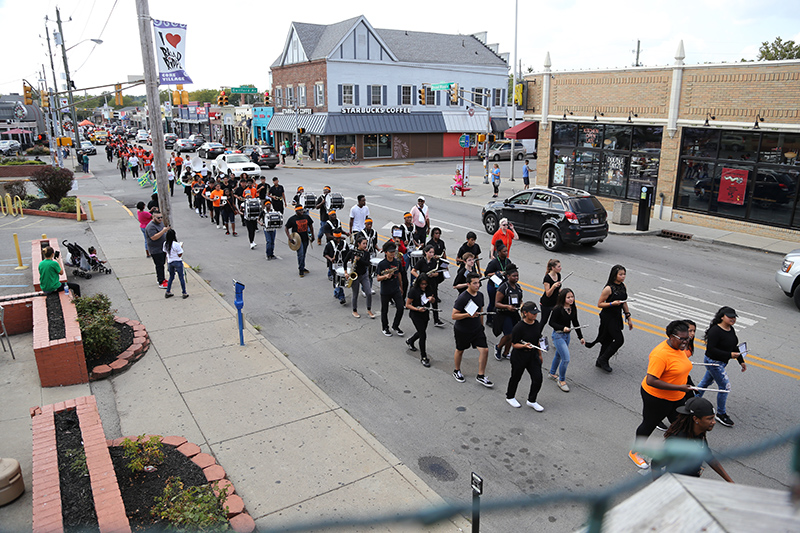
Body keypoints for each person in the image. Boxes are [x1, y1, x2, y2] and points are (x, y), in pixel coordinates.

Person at [629, 320, 694, 469]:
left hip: (677, 396)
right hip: (656, 397)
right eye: (682, 339)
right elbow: (651, 380)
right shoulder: (660, 354)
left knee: (680, 426)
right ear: (671, 337)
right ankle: (635, 451)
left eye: (688, 338)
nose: (685, 342)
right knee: (649, 424)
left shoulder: (680, 348)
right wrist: (679, 387)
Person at [651, 397, 734, 482]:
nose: (714, 422)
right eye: (709, 418)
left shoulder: (699, 433)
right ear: (695, 419)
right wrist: (659, 487)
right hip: (676, 483)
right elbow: (655, 464)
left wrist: (730, 481)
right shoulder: (678, 442)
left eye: (713, 418)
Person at [696, 307, 746, 428]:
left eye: (734, 317)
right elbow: (711, 350)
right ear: (722, 317)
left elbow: (734, 346)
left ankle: (692, 402)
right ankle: (721, 414)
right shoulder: (715, 331)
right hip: (713, 362)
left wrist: (741, 361)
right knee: (724, 387)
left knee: (705, 383)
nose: (733, 319)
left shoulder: (731, 329)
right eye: (730, 317)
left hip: (721, 362)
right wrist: (729, 355)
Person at [587, 264, 632, 373]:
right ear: (614, 275)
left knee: (607, 340)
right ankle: (604, 359)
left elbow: (624, 302)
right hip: (608, 317)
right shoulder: (608, 289)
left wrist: (628, 316)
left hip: (617, 316)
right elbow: (600, 304)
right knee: (619, 340)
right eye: (620, 274)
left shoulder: (623, 286)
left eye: (624, 274)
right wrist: (612, 303)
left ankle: (600, 361)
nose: (623, 276)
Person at [452, 273, 493, 388]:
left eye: (478, 282)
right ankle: (457, 370)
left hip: (477, 329)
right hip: (463, 330)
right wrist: (467, 315)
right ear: (468, 284)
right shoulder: (463, 298)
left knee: (484, 350)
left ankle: (481, 375)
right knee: (460, 350)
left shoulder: (480, 295)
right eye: (474, 283)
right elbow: (454, 316)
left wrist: (481, 325)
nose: (477, 285)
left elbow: (480, 311)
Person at [505, 302, 544, 411]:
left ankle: (532, 400)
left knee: (538, 378)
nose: (535, 315)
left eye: (536, 313)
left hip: (533, 356)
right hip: (520, 356)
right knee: (516, 377)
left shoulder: (536, 324)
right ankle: (510, 396)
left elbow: (537, 340)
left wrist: (540, 355)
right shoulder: (519, 327)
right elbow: (514, 344)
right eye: (533, 313)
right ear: (525, 313)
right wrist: (523, 346)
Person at [548, 288, 584, 392]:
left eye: (572, 297)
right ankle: (562, 380)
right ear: (563, 298)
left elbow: (575, 322)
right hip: (558, 335)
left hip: (567, 336)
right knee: (566, 359)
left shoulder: (572, 308)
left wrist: (580, 337)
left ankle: (552, 373)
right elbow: (551, 323)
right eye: (568, 297)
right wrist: (562, 328)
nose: (571, 299)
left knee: (559, 355)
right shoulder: (557, 309)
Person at [493, 264, 523, 360]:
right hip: (503, 314)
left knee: (513, 334)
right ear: (508, 276)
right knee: (508, 334)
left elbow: (520, 300)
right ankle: (498, 347)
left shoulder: (518, 287)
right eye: (514, 276)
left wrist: (522, 305)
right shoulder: (503, 288)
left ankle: (506, 353)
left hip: (514, 313)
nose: (516, 278)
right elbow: (497, 303)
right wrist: (507, 306)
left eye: (517, 276)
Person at [405, 273, 434, 367]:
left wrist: (431, 299)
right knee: (423, 335)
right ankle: (424, 357)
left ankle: (410, 340)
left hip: (425, 313)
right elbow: (408, 304)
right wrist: (417, 309)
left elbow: (433, 300)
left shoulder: (428, 289)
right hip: (416, 314)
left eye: (425, 284)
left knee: (421, 331)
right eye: (422, 284)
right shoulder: (413, 291)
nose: (424, 286)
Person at [411, 245, 445, 327]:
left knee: (434, 301)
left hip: (432, 283)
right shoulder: (421, 261)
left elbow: (438, 273)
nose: (432, 254)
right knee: (424, 301)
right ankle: (423, 317)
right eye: (430, 252)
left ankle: (436, 320)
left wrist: (434, 274)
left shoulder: (434, 261)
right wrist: (420, 278)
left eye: (433, 252)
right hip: (423, 284)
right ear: (425, 252)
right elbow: (413, 271)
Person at [377, 241, 404, 337]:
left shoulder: (397, 262)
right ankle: (385, 327)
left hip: (395, 288)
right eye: (390, 252)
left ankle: (395, 326)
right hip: (385, 290)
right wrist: (385, 277)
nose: (392, 253)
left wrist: (401, 287)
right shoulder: (382, 264)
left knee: (400, 308)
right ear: (385, 252)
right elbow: (378, 278)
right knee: (385, 310)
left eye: (394, 251)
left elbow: (399, 274)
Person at [344, 237, 374, 319]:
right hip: (355, 275)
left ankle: (369, 309)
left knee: (368, 292)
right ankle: (354, 310)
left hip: (364, 275)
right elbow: (345, 261)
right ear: (358, 244)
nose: (365, 245)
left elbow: (367, 263)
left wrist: (359, 259)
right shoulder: (352, 252)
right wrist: (346, 272)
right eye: (363, 243)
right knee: (355, 294)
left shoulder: (366, 253)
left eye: (366, 243)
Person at [483, 243, 510, 326]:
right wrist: (498, 273)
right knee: (493, 303)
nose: (506, 253)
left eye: (506, 251)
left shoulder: (508, 261)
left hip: (503, 286)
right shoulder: (493, 263)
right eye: (504, 251)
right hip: (493, 286)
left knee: (501, 303)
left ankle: (498, 318)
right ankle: (489, 320)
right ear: (498, 252)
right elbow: (487, 274)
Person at [285, 205, 314, 277]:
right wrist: (290, 238)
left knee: (304, 253)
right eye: (300, 210)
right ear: (296, 211)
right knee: (300, 254)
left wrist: (312, 235)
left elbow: (310, 226)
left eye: (302, 210)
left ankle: (302, 267)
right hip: (297, 240)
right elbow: (286, 228)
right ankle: (301, 270)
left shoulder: (306, 217)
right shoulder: (292, 219)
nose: (302, 211)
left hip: (305, 238)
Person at [324, 230, 350, 304]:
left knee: (340, 281)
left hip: (342, 265)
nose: (338, 240)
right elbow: (325, 254)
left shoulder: (344, 244)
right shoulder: (329, 245)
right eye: (336, 238)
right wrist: (330, 259)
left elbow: (348, 253)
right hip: (334, 266)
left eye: (339, 238)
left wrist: (349, 258)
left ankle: (337, 292)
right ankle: (341, 297)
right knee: (336, 281)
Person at [145, 211, 170, 289]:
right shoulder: (151, 227)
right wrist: (163, 231)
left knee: (162, 264)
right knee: (159, 265)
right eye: (158, 218)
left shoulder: (160, 223)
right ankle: (161, 282)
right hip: (155, 250)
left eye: (161, 217)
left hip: (162, 248)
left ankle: (162, 278)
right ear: (153, 217)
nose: (160, 219)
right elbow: (153, 237)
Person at [163, 229, 188, 299]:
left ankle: (168, 291)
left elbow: (166, 253)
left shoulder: (165, 244)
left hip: (170, 262)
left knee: (171, 277)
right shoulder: (176, 244)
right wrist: (181, 247)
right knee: (181, 277)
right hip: (177, 262)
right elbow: (180, 255)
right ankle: (184, 292)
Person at [539, 259, 562, 327]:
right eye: (558, 266)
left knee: (556, 320)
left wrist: (560, 290)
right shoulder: (547, 278)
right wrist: (553, 286)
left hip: (555, 302)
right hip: (547, 303)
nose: (560, 268)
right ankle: (537, 335)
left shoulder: (558, 275)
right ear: (553, 268)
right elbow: (548, 294)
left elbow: (558, 289)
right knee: (544, 320)